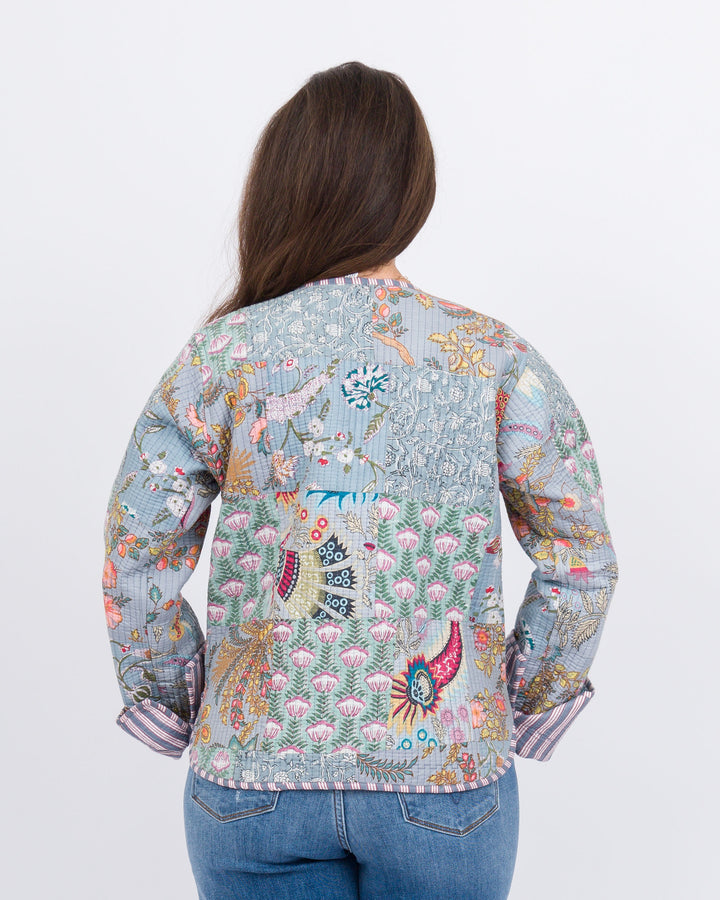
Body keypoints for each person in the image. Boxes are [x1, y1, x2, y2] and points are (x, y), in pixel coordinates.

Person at [102, 60, 618, 900]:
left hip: (253, 776)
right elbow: (580, 555)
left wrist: (170, 695)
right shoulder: (492, 359)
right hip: (443, 778)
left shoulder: (224, 354)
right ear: (414, 192)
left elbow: (138, 547)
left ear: (282, 184)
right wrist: (525, 696)